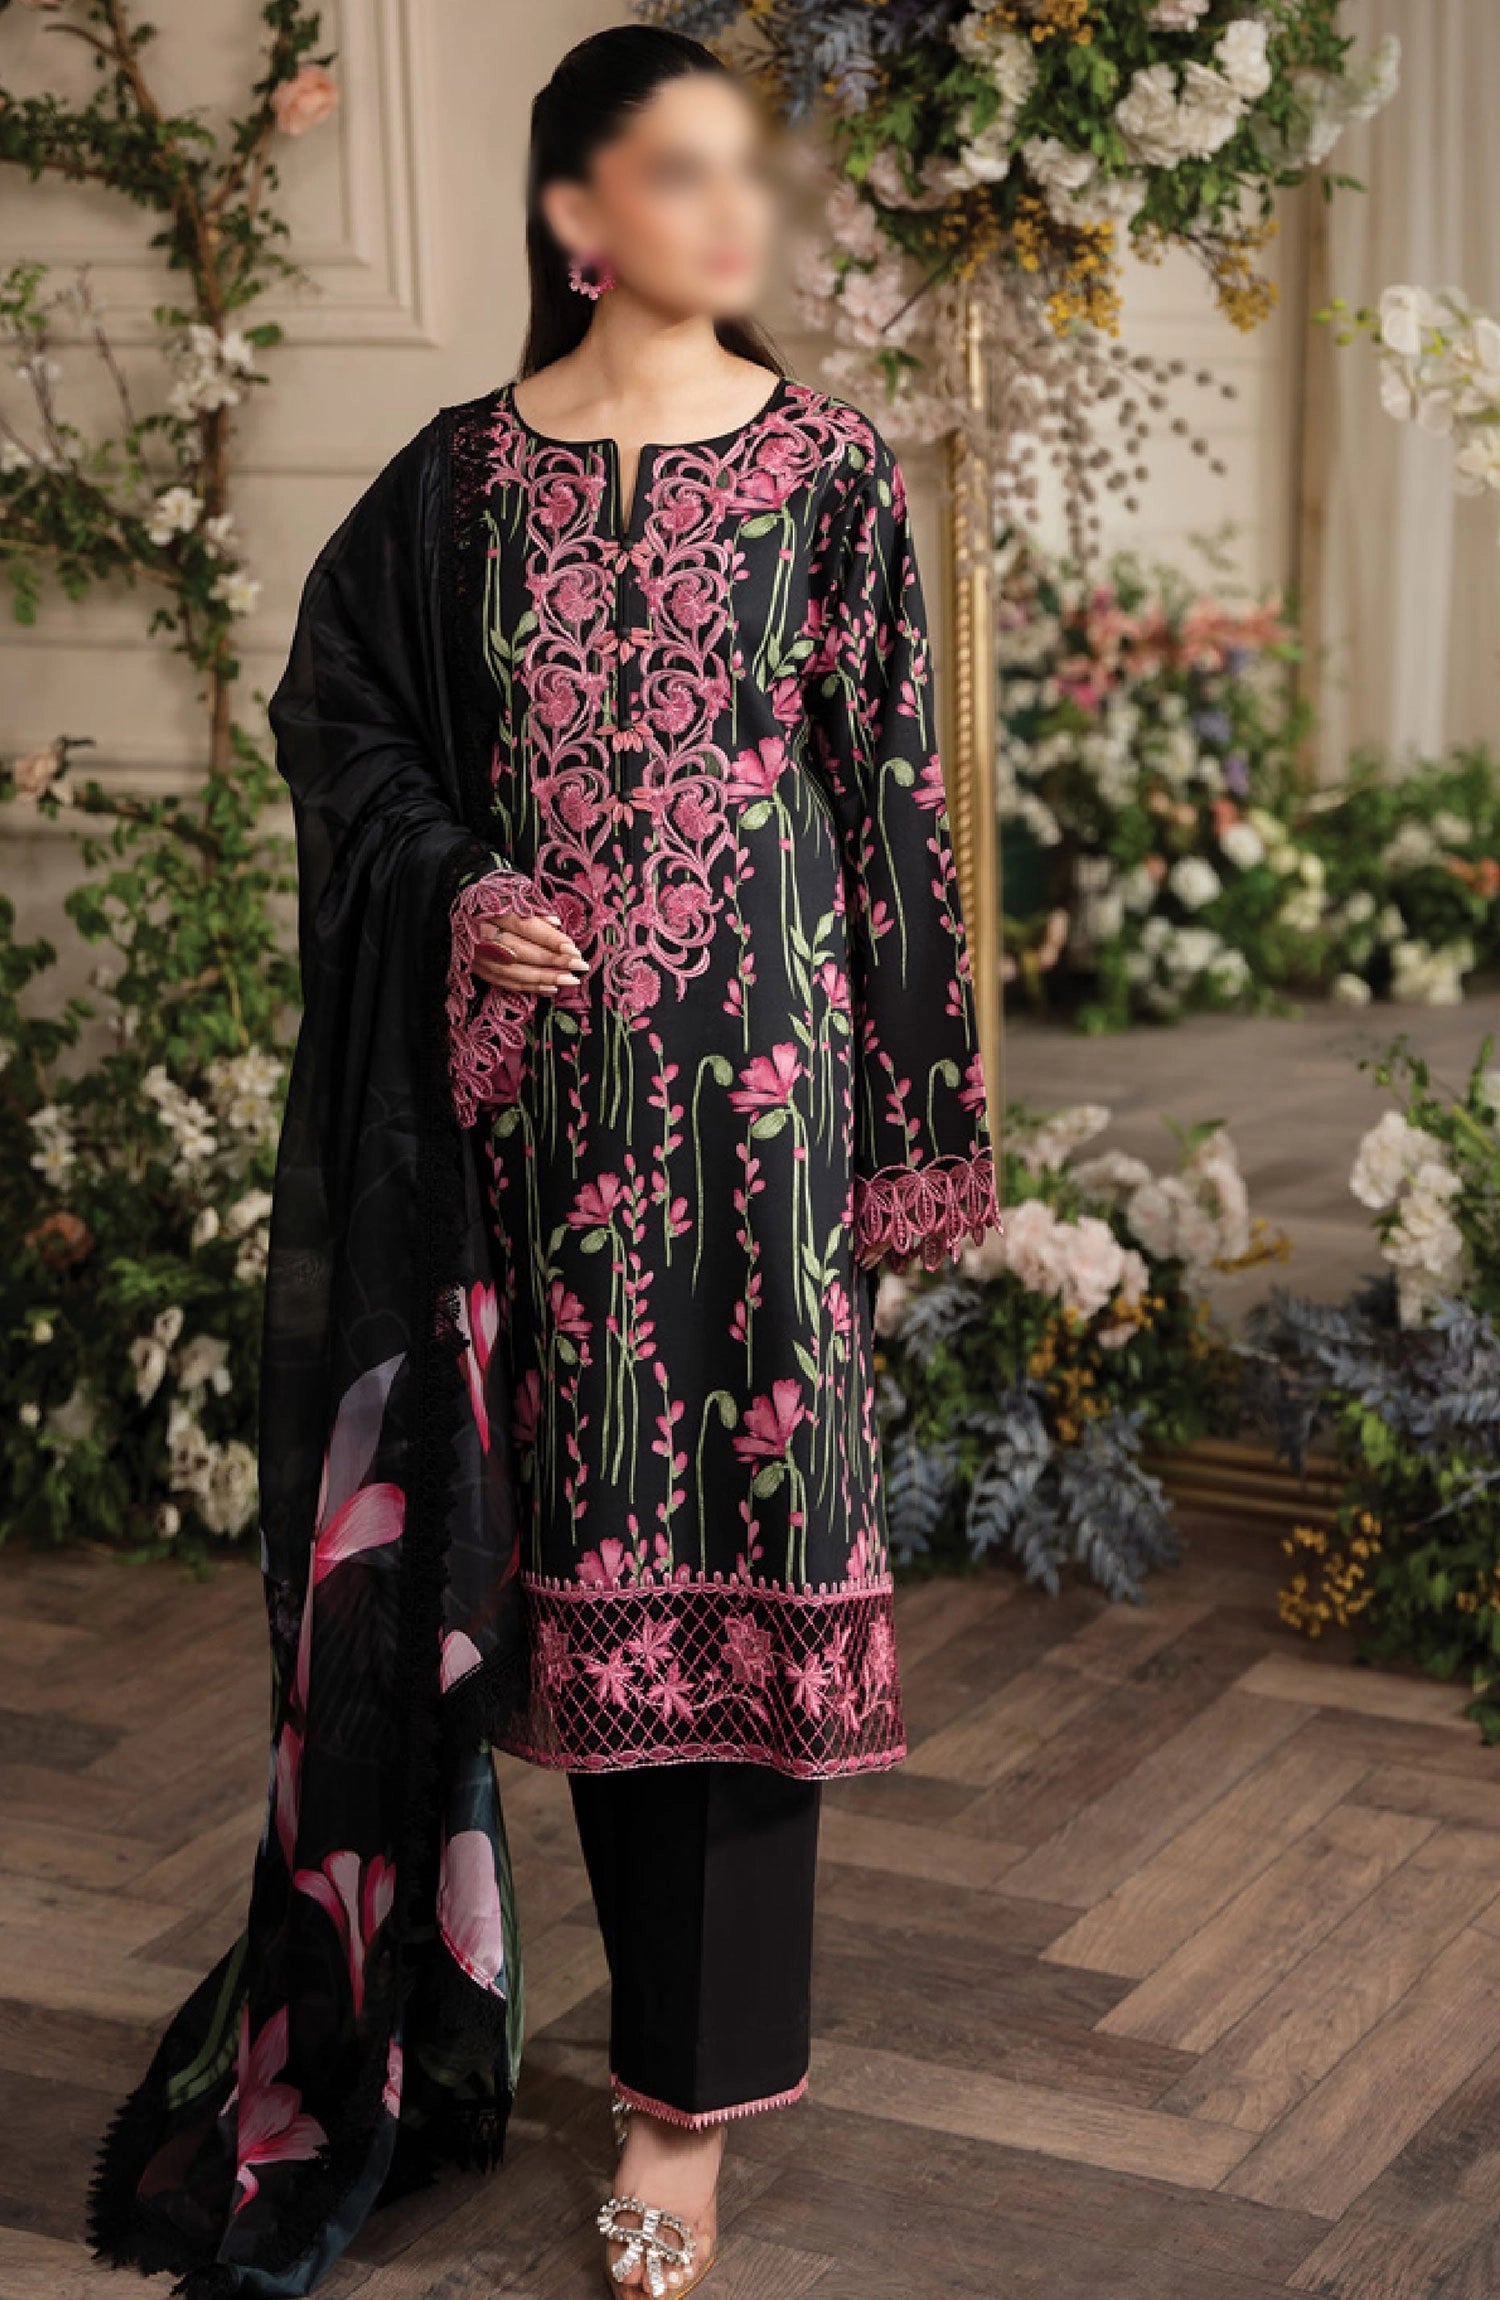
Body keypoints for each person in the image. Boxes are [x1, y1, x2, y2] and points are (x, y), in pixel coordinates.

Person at [89, 25, 997, 2299]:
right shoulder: (460, 486)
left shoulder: (828, 470)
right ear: (576, 217)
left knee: (756, 1575)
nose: (739, 210)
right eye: (683, 173)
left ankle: (690, 2103)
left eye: (748, 170)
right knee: (598, 1585)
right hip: (550, 1132)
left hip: (768, 1115)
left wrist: (912, 1127)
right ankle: (608, 2038)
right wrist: (468, 893)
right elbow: (344, 724)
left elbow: (896, 803)